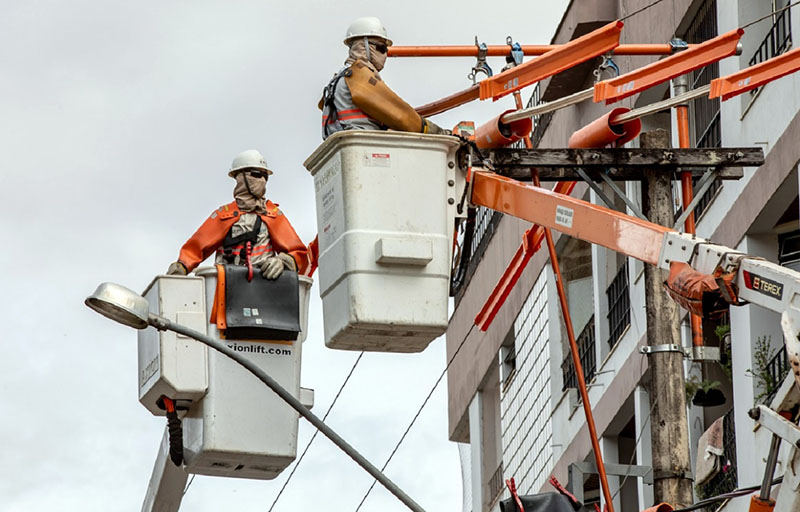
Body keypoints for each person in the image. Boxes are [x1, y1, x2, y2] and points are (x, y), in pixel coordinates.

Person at [166, 150, 309, 279]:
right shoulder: (224, 214)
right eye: (257, 175)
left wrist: (283, 261)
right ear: (240, 177)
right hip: (227, 284)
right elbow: (195, 248)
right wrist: (181, 268)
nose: (262, 180)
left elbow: (299, 253)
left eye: (265, 176)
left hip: (264, 285)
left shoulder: (273, 215)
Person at [320, 16, 447, 140]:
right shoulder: (359, 76)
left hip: (347, 146)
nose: (385, 54)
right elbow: (399, 113)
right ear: (364, 45)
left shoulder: (339, 78)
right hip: (366, 145)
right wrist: (433, 131)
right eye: (382, 48)